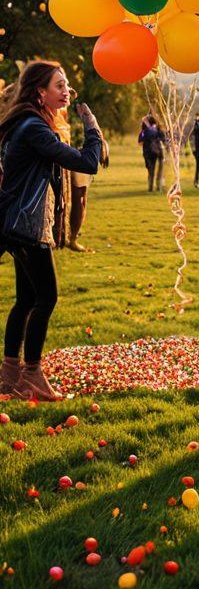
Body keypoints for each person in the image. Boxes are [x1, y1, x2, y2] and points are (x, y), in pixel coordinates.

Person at [0, 61, 103, 400]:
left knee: (27, 299)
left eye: (67, 84)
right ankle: (30, 375)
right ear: (40, 92)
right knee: (47, 297)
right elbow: (87, 162)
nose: (67, 91)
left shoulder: (29, 123)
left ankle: (9, 375)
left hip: (15, 224)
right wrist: (93, 127)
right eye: (60, 85)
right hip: (26, 226)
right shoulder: (33, 128)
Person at [138, 115, 166, 192]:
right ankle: (159, 187)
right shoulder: (158, 129)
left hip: (149, 152)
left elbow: (140, 141)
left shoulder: (144, 131)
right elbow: (163, 139)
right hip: (159, 151)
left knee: (151, 170)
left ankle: (150, 188)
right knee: (160, 171)